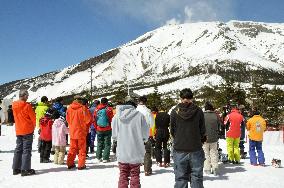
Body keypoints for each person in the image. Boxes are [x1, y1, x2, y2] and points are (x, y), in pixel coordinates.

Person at [170, 88, 206, 188]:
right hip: (195, 148)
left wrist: (178, 139)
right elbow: (202, 130)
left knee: (180, 178)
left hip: (179, 148)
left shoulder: (174, 112)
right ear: (192, 98)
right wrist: (201, 140)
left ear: (181, 98)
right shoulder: (198, 111)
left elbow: (172, 130)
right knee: (197, 177)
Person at [112, 99, 148, 188]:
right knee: (135, 174)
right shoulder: (140, 116)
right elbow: (145, 134)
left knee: (123, 174)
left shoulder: (117, 116)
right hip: (136, 150)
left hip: (122, 150)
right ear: (134, 107)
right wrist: (143, 140)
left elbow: (114, 134)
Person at [12, 89, 36, 176]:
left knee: (18, 149)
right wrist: (33, 126)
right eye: (27, 95)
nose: (28, 96)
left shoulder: (14, 105)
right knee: (26, 150)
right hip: (27, 130)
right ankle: (25, 169)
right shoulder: (27, 106)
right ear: (24, 95)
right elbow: (33, 118)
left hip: (18, 130)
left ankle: (16, 168)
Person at [66, 95, 92, 170]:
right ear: (80, 100)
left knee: (72, 148)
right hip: (81, 131)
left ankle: (70, 163)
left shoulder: (69, 108)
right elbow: (88, 120)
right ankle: (81, 165)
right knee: (81, 149)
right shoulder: (83, 108)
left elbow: (67, 120)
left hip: (72, 131)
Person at [136, 96, 154, 176]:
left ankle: (135, 169)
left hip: (136, 134)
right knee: (147, 152)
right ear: (145, 102)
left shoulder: (135, 110)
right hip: (145, 134)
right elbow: (152, 124)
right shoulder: (148, 111)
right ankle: (147, 170)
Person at [203, 101, 222, 175]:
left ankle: (207, 169)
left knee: (206, 154)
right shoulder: (216, 116)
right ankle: (215, 168)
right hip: (214, 137)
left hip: (204, 138)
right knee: (214, 153)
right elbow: (219, 125)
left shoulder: (202, 115)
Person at [94, 97, 114, 163]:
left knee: (99, 143)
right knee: (107, 143)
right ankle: (105, 158)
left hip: (99, 128)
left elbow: (94, 119)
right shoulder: (109, 109)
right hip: (107, 128)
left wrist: (96, 127)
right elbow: (111, 118)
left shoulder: (96, 109)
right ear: (106, 102)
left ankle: (98, 157)